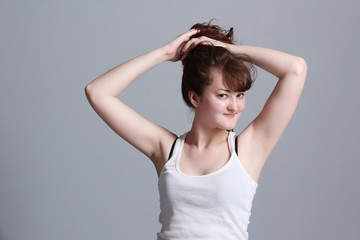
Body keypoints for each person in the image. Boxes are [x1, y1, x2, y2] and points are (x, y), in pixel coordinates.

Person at [85, 21, 307, 240]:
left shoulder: (248, 149)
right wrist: (164, 53)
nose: (234, 106)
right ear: (195, 98)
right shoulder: (167, 149)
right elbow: (97, 92)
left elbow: (296, 68)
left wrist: (230, 51)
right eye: (223, 95)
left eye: (239, 95)